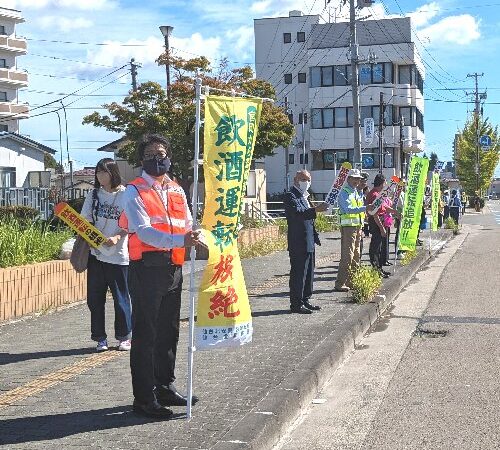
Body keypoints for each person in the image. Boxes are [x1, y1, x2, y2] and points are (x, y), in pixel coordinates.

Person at [120, 134, 202, 419]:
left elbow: (189, 224)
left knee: (169, 331)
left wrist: (195, 237)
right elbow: (143, 231)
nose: (159, 157)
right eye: (153, 153)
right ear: (142, 159)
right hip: (147, 268)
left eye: (163, 152)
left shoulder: (177, 189)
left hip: (174, 268)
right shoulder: (134, 191)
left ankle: (164, 386)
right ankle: (143, 399)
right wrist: (181, 240)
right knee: (146, 334)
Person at [80, 158, 132, 353]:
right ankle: (100, 338)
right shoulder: (93, 195)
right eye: (98, 172)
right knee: (95, 299)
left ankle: (124, 337)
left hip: (119, 256)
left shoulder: (126, 194)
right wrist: (96, 240)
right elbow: (83, 221)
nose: (100, 176)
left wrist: (118, 236)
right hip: (96, 255)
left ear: (113, 173)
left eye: (104, 172)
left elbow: (133, 221)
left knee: (121, 299)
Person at [284, 170, 328, 314]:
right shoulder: (290, 196)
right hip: (298, 241)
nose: (306, 182)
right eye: (303, 179)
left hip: (308, 240)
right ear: (296, 179)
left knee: (308, 273)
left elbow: (310, 220)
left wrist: (315, 235)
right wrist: (316, 210)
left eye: (308, 179)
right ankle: (296, 303)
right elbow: (297, 214)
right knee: (299, 273)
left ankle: (305, 299)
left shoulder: (305, 196)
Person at [335, 169, 371, 292]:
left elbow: (359, 210)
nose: (357, 181)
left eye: (358, 179)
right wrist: (365, 208)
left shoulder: (357, 192)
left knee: (356, 255)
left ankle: (352, 281)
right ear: (348, 178)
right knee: (347, 256)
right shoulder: (344, 192)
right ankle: (340, 283)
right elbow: (348, 209)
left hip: (357, 227)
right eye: (354, 178)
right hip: (348, 227)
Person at [366, 174, 399, 278]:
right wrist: (381, 228)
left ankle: (379, 269)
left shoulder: (378, 194)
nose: (386, 184)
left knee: (379, 246)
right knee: (375, 247)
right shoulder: (374, 195)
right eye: (385, 182)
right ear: (381, 183)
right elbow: (375, 213)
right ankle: (376, 270)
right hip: (376, 221)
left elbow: (385, 207)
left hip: (379, 220)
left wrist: (395, 212)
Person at [358, 173, 369, 257]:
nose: (364, 184)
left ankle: (358, 263)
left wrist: (365, 215)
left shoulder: (361, 194)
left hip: (360, 223)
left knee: (360, 245)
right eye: (362, 181)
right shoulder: (353, 192)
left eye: (365, 182)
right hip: (351, 224)